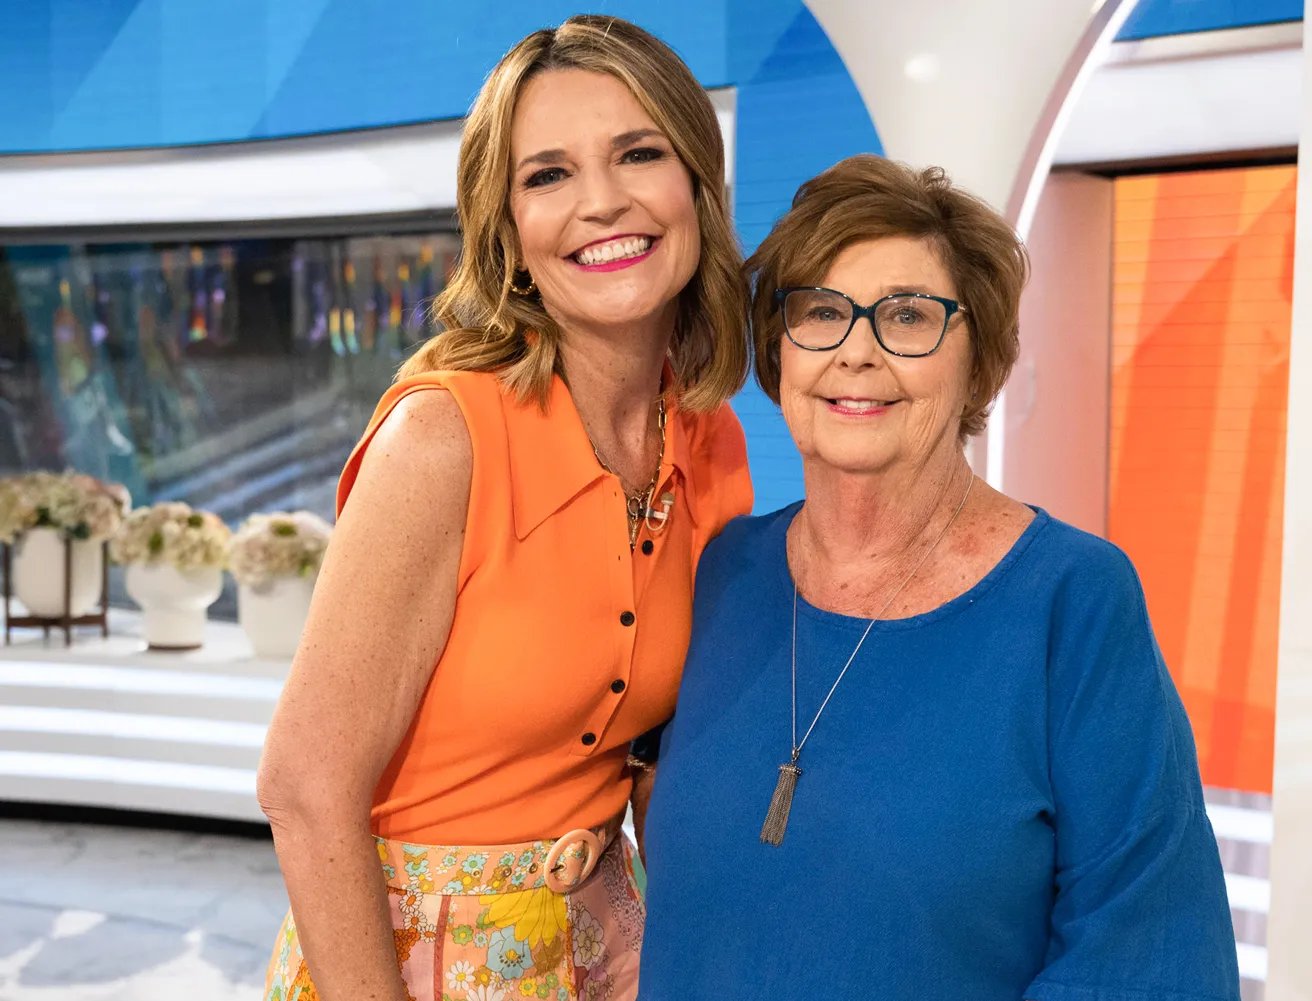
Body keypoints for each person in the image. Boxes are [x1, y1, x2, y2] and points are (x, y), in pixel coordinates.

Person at [637, 154, 1240, 1001]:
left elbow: (1152, 954)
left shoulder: (1072, 601)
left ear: (977, 357)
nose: (856, 352)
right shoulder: (723, 572)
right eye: (820, 311)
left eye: (909, 317)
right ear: (779, 350)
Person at [257, 16, 751, 1001]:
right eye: (548, 175)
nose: (601, 201)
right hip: (402, 967)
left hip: (601, 943)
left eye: (639, 153)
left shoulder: (710, 437)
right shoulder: (442, 440)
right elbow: (306, 789)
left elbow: (660, 749)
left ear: (696, 183)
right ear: (509, 232)